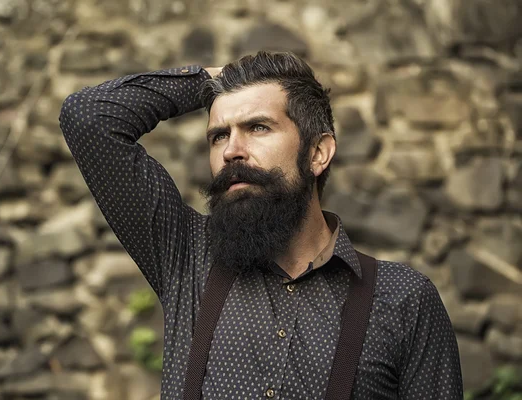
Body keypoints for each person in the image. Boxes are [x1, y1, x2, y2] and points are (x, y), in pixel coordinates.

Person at [59, 51, 463, 399]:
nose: (232, 150)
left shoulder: (404, 301)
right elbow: (88, 118)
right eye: (218, 136)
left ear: (318, 152)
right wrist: (206, 81)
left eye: (257, 127)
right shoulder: (184, 255)